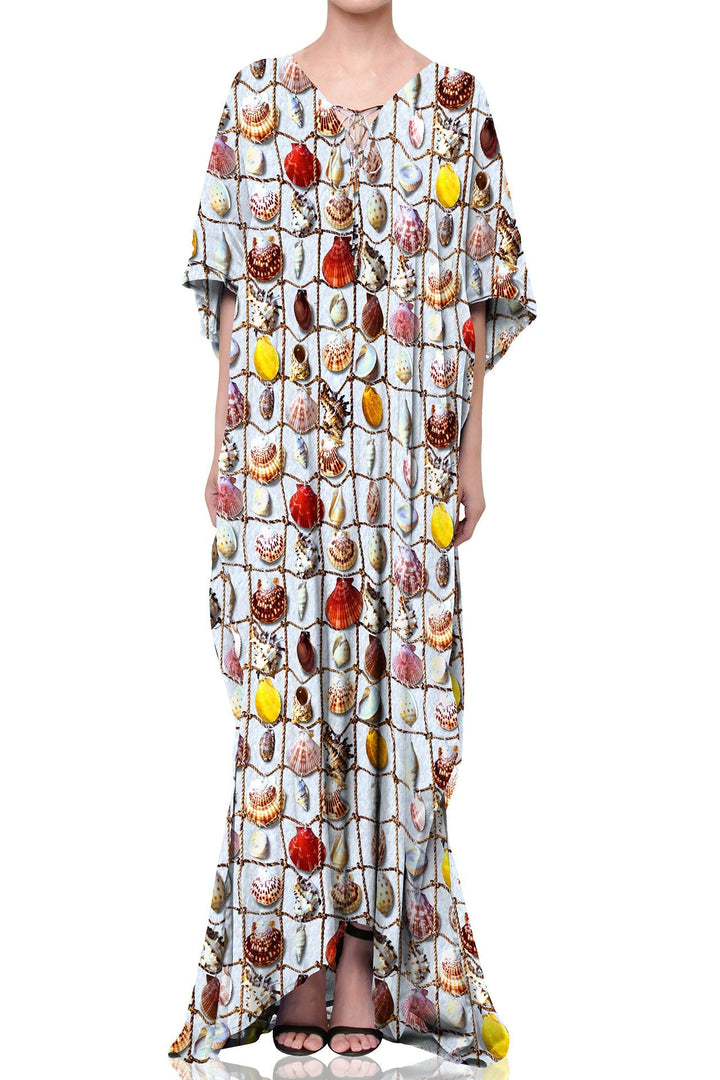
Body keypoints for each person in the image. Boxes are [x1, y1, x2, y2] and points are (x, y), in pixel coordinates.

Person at [169, 0, 536, 1064]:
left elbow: (479, 295)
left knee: (397, 701)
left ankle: (365, 961)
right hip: (280, 458)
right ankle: (293, 954)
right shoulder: (253, 98)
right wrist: (223, 447)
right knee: (284, 697)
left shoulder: (458, 106)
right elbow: (232, 297)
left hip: (404, 463)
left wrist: (470, 455)